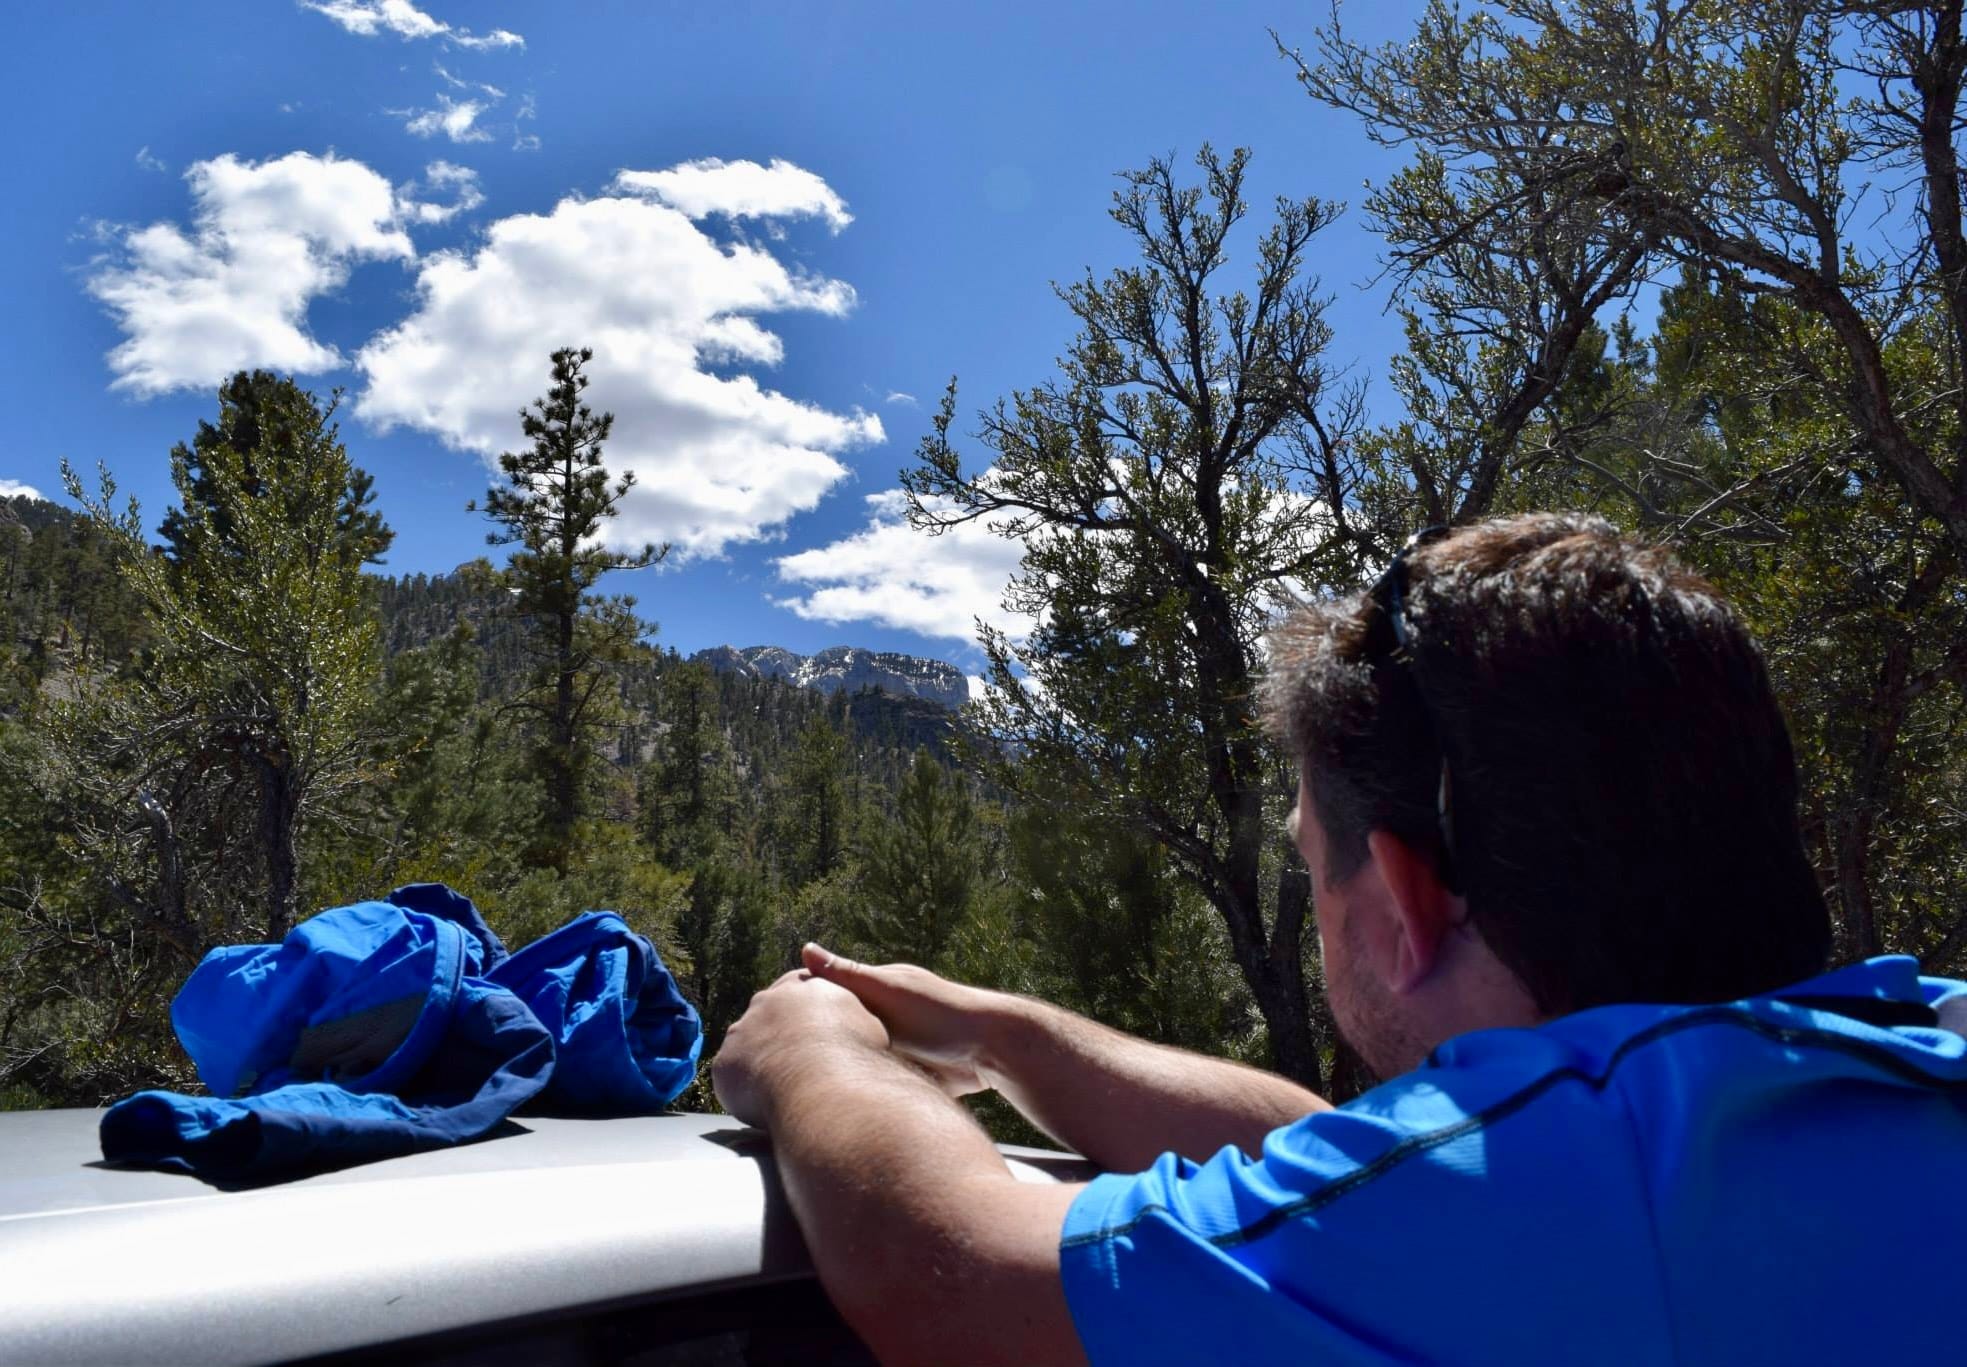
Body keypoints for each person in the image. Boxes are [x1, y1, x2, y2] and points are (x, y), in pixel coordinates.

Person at [711, 513, 1967, 1366]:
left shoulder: (1598, 1183)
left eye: (1314, 865)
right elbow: (1319, 1147)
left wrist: (815, 1053)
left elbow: (952, 1280)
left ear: (1407, 899)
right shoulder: (1878, 1059)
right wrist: (1005, 1035)